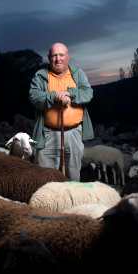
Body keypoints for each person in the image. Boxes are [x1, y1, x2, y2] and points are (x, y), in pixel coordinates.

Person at [29, 42, 94, 181]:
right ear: (49, 57)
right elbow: (34, 97)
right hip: (47, 134)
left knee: (73, 176)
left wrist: (70, 94)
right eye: (54, 55)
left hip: (74, 133)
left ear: (68, 57)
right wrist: (54, 97)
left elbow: (87, 93)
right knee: (45, 177)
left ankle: (72, 201)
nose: (58, 59)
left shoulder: (77, 73)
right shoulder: (41, 76)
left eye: (61, 55)